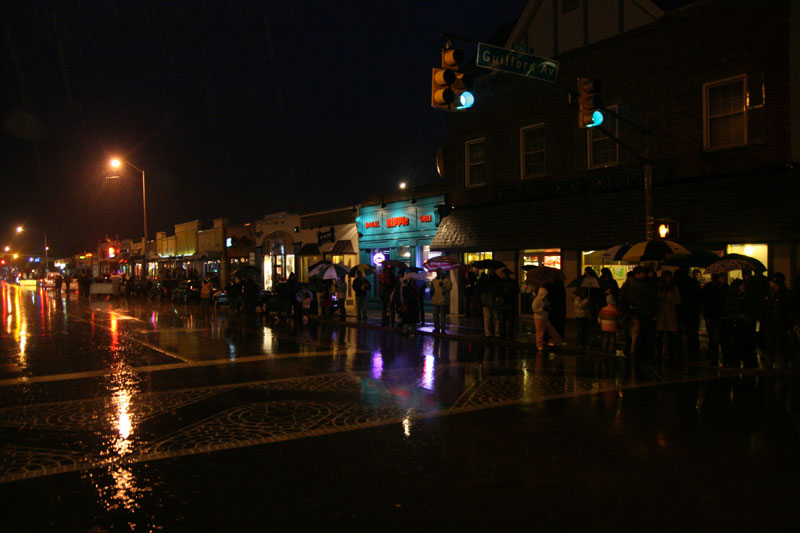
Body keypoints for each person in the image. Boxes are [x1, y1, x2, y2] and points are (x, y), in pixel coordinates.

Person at [618, 266, 659, 370]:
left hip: (632, 314)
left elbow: (622, 297)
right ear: (639, 274)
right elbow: (652, 299)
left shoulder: (629, 284)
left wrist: (627, 309)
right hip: (643, 314)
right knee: (642, 336)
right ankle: (640, 355)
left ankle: (630, 352)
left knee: (631, 334)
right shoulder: (643, 285)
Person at [764, 273, 795, 369]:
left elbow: (789, 310)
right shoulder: (771, 294)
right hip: (772, 323)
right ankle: (771, 363)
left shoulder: (785, 294)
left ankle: (781, 364)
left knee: (780, 344)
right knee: (771, 344)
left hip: (780, 323)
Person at [723, 279, 755, 368]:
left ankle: (744, 360)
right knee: (736, 343)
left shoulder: (746, 297)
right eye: (741, 285)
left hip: (744, 324)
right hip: (735, 324)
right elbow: (728, 310)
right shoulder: (732, 298)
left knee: (744, 343)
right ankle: (735, 360)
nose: (743, 287)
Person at [675, 267, 702, 359]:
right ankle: (693, 351)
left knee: (679, 332)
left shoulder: (676, 283)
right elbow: (698, 296)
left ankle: (679, 351)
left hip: (680, 310)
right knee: (692, 332)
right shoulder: (693, 282)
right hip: (692, 310)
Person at [701, 273, 728, 366]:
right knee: (719, 338)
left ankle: (714, 358)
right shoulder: (722, 288)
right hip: (717, 315)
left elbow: (704, 300)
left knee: (715, 339)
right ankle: (720, 358)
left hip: (713, 315)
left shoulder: (710, 287)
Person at [656, 270, 682, 362]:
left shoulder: (674, 288)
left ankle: (671, 353)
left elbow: (678, 300)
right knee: (660, 335)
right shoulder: (659, 287)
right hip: (661, 313)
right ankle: (659, 353)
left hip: (670, 313)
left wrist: (670, 299)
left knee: (671, 336)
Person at [532, 286, 564, 352]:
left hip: (544, 317)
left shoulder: (544, 300)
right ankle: (539, 345)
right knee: (540, 332)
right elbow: (535, 310)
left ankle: (558, 341)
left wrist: (548, 309)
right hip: (539, 318)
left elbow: (547, 306)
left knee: (551, 330)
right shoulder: (536, 301)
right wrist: (542, 309)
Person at [495, 269, 519, 340]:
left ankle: (504, 335)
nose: (502, 275)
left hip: (505, 304)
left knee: (504, 321)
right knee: (508, 321)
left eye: (503, 274)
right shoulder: (512, 282)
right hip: (508, 303)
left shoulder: (501, 282)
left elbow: (497, 292)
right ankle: (509, 335)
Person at [477, 270, 500, 338]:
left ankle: (490, 333)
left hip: (489, 300)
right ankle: (493, 333)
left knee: (491, 317)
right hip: (488, 300)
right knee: (491, 317)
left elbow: (479, 288)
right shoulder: (495, 279)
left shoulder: (486, 279)